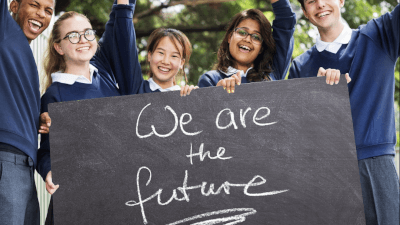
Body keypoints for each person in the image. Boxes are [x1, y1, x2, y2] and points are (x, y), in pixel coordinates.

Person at [289, 0, 399, 224]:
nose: (320, 4)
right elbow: (297, 135)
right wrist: (315, 97)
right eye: (311, 1)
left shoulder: (380, 35)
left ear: (341, 0)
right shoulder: (299, 67)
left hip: (376, 166)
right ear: (305, 12)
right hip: (328, 173)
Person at [37, 0, 140, 223]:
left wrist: (123, 4)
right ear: (58, 46)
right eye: (73, 35)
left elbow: (119, 24)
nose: (83, 40)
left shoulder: (104, 74)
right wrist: (49, 172)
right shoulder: (54, 95)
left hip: (116, 197)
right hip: (77, 203)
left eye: (87, 33)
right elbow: (45, 152)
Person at [0, 0, 54, 224]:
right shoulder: (4, 31)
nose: (41, 14)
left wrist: (38, 118)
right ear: (13, 6)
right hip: (6, 159)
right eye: (34, 4)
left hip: (25, 165)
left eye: (48, 10)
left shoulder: (24, 53)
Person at [197, 0, 295, 93]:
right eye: (242, 32)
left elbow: (286, 19)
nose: (247, 39)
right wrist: (216, 94)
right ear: (229, 37)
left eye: (256, 37)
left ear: (261, 48)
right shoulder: (210, 79)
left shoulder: (273, 71)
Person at [131, 27, 197, 95]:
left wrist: (195, 100)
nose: (165, 61)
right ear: (150, 55)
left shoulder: (184, 96)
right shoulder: (136, 88)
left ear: (181, 63)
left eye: (174, 56)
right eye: (161, 53)